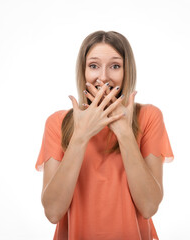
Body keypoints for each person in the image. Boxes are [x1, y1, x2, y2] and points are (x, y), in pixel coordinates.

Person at [35, 30, 174, 240]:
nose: (103, 76)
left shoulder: (148, 117)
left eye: (115, 66)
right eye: (93, 66)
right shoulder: (58, 122)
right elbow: (53, 212)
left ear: (127, 71)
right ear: (82, 71)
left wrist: (125, 133)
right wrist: (81, 136)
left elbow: (149, 206)